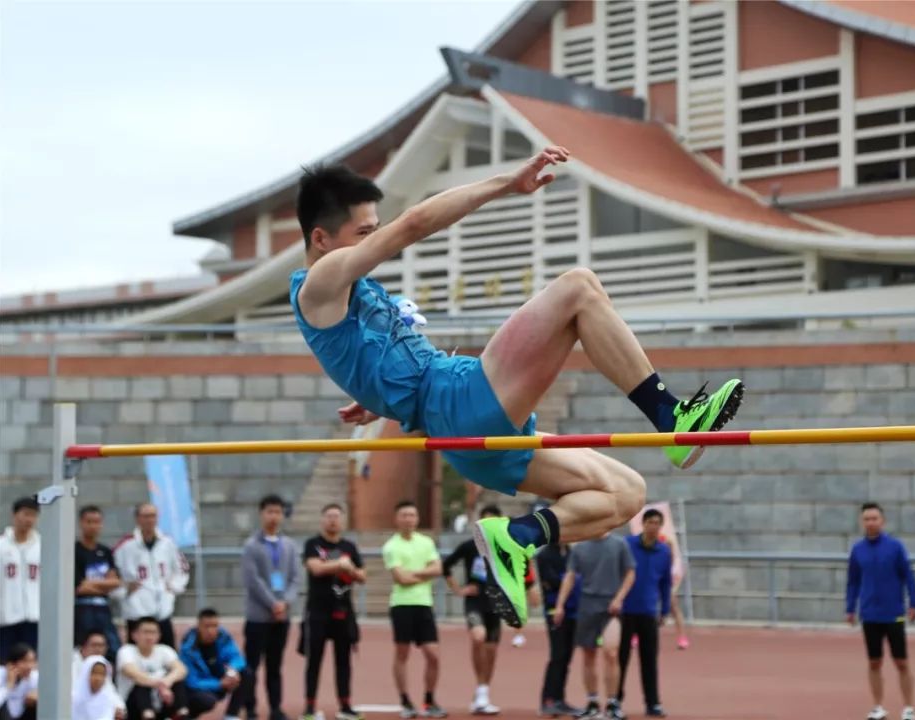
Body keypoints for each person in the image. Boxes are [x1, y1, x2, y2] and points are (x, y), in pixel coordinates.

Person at [291, 155, 745, 627]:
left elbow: (374, 356)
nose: (374, 241)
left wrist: (376, 398)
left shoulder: (345, 296)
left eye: (373, 230)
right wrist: (506, 182)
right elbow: (413, 225)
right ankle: (671, 417)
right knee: (579, 287)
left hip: (464, 432)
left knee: (627, 494)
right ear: (320, 239)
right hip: (456, 399)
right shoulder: (319, 283)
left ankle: (516, 537)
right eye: (364, 233)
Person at [845, 502, 915, 720]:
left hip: (894, 612)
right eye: (866, 519)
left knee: (901, 662)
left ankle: (908, 708)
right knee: (874, 662)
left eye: (874, 518)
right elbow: (853, 582)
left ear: (882, 521)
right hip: (870, 614)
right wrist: (850, 608)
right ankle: (878, 706)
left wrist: (914, 603)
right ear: (862, 522)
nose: (870, 522)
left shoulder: (895, 547)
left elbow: (908, 576)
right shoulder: (857, 550)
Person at [554, 533, 636, 720]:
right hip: (588, 605)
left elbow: (630, 572)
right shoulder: (580, 548)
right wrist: (560, 605)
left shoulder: (619, 544)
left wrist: (619, 598)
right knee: (589, 655)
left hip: (611, 607)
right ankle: (592, 702)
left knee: (611, 652)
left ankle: (613, 703)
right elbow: (570, 576)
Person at [300, 503, 364, 720]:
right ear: (322, 519)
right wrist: (340, 565)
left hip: (343, 613)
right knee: (314, 660)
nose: (332, 520)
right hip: (317, 612)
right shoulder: (313, 544)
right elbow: (315, 568)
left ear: (342, 520)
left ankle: (345, 705)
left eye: (336, 516)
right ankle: (309, 706)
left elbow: (362, 576)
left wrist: (350, 569)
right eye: (328, 516)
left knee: (343, 660)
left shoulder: (350, 547)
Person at [382, 501, 446, 719]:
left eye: (412, 515)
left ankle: (429, 700)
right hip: (401, 605)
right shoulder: (391, 546)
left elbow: (437, 568)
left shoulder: (426, 542)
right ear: (396, 519)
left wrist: (414, 575)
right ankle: (405, 701)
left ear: (417, 519)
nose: (409, 519)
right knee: (402, 653)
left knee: (433, 655)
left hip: (424, 605)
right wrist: (424, 572)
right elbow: (400, 578)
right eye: (404, 515)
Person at [442, 504, 506, 715]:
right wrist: (459, 590)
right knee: (478, 637)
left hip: (495, 603)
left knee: (492, 649)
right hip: (475, 601)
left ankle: (483, 692)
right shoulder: (469, 546)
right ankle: (480, 689)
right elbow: (446, 566)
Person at [242, 494, 301, 720]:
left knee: (275, 666)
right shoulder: (251, 546)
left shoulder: (289, 545)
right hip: (258, 616)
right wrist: (272, 603)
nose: (274, 517)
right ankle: (250, 708)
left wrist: (285, 602)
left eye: (278, 512)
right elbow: (252, 580)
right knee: (252, 666)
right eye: (270, 512)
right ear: (261, 513)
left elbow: (296, 578)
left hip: (281, 617)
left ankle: (276, 708)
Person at [618, 509, 672, 717]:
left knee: (649, 660)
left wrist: (664, 609)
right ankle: (616, 700)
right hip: (625, 610)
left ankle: (653, 703)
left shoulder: (664, 552)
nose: (653, 526)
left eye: (657, 523)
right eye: (650, 522)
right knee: (620, 658)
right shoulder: (627, 545)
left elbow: (665, 583)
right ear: (643, 523)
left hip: (649, 612)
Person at [112, 504, 189, 649]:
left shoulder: (168, 543)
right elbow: (112, 573)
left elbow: (182, 568)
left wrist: (173, 587)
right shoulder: (125, 546)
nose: (150, 520)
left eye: (153, 516)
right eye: (146, 516)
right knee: (136, 655)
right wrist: (124, 590)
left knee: (168, 654)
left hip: (163, 610)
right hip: (137, 611)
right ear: (137, 519)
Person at [178, 608, 252, 720]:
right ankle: (188, 715)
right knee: (206, 701)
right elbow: (191, 682)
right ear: (198, 626)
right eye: (207, 626)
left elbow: (236, 657)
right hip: (198, 689)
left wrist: (232, 671)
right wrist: (219, 684)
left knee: (246, 673)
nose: (211, 630)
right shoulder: (187, 648)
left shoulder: (223, 636)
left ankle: (231, 715)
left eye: (215, 626)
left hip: (222, 681)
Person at [537, 542, 581, 718]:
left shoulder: (572, 553)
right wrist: (572, 579)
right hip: (554, 610)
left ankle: (559, 698)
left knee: (567, 656)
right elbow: (551, 581)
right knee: (558, 654)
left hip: (574, 610)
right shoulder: (544, 555)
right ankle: (548, 699)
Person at [114, 617, 189, 720]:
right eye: (145, 632)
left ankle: (182, 713)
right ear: (134, 635)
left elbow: (181, 669)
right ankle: (147, 714)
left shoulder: (165, 650)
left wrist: (167, 681)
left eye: (153, 632)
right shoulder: (126, 651)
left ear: (159, 635)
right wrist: (160, 685)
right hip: (132, 705)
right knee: (142, 683)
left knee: (177, 681)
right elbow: (131, 672)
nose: (149, 636)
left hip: (160, 700)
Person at [75, 505, 123, 662]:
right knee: (82, 648)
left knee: (112, 648)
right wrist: (104, 584)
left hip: (103, 609)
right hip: (81, 609)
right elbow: (79, 587)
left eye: (97, 522)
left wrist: (91, 584)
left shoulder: (105, 551)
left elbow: (116, 582)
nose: (93, 526)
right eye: (89, 521)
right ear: (81, 523)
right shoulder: (74, 550)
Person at [0, 498, 41, 658]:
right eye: (25, 514)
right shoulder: (1, 546)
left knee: (31, 662)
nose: (29, 519)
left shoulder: (41, 546)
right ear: (14, 515)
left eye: (33, 515)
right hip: (5, 617)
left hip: (34, 616)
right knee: (6, 662)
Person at [71, 655, 126, 720]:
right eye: (94, 673)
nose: (98, 678)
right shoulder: (73, 698)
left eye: (102, 674)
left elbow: (122, 711)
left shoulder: (110, 699)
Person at [0, 644, 38, 720]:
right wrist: (8, 686)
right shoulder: (1, 673)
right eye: (25, 661)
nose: (30, 666)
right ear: (11, 664)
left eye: (32, 661)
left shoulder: (33, 676)